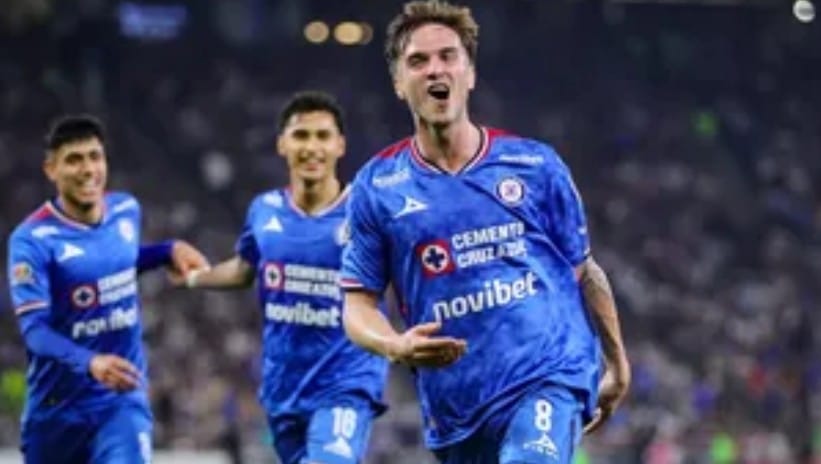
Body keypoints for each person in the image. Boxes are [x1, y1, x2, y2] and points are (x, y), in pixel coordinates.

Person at [339, 1, 631, 463]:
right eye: (418, 61)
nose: (435, 69)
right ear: (398, 83)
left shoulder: (535, 165)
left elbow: (584, 270)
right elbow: (357, 306)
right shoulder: (376, 188)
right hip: (457, 411)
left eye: (448, 56)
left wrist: (617, 363)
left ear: (470, 73)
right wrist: (394, 344)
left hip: (550, 374)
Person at [176, 91, 388, 464]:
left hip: (345, 385)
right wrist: (195, 279)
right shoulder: (264, 210)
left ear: (340, 145)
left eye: (323, 136)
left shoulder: (367, 212)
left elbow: (406, 272)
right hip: (284, 393)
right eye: (301, 135)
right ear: (282, 144)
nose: (312, 147)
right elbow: (243, 270)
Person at [6, 114, 209, 463]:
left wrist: (166, 251)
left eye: (94, 157)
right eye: (74, 159)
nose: (88, 169)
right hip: (56, 410)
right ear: (51, 169)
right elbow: (34, 331)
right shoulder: (31, 240)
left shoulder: (126, 210)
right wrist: (90, 363)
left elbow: (115, 264)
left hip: (120, 400)